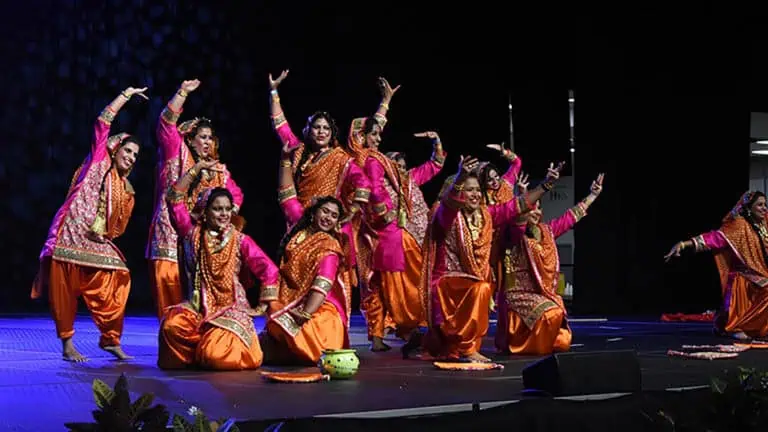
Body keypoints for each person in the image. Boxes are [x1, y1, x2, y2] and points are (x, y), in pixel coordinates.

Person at [31, 86, 148, 362]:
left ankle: (110, 339)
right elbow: (102, 121)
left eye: (135, 156)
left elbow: (117, 227)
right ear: (116, 147)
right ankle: (68, 346)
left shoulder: (123, 186)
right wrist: (125, 96)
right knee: (65, 290)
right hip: (70, 233)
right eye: (128, 150)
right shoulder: (99, 159)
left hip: (94, 241)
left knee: (119, 276)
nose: (130, 157)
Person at [409, 156, 564, 362]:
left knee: (483, 286)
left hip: (473, 280)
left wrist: (545, 185)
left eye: (476, 190)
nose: (473, 195)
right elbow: (449, 206)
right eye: (468, 189)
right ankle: (467, 349)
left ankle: (464, 346)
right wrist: (461, 177)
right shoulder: (445, 217)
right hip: (447, 282)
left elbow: (514, 206)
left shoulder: (486, 214)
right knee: (481, 288)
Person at [157, 162, 279, 371]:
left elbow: (269, 270)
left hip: (228, 308)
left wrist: (263, 304)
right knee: (171, 326)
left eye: (227, 209)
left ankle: (210, 349)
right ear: (205, 212)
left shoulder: (240, 240)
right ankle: (197, 353)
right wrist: (195, 170)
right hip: (197, 308)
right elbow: (174, 198)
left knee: (215, 354)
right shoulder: (191, 234)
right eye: (217, 209)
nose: (224, 214)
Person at [147, 79, 244, 319]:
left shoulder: (219, 169)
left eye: (211, 138)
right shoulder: (175, 151)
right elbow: (166, 123)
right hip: (169, 234)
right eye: (202, 137)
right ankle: (172, 343)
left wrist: (224, 215)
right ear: (190, 140)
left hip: (201, 242)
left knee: (200, 298)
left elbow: (237, 195)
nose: (208, 142)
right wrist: (182, 93)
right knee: (170, 298)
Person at [495, 173, 604, 355]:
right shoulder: (513, 234)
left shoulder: (547, 231)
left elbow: (571, 216)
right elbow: (518, 223)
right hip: (518, 294)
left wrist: (592, 195)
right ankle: (526, 345)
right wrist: (523, 199)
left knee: (562, 340)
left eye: (538, 208)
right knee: (551, 312)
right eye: (530, 208)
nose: (535, 212)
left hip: (543, 293)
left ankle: (540, 342)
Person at [260, 148, 351, 364]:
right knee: (274, 314)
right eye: (325, 212)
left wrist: (306, 313)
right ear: (313, 212)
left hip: (320, 310)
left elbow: (324, 283)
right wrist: (284, 159)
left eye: (334, 215)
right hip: (292, 303)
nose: (328, 218)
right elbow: (286, 194)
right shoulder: (297, 232)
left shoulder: (329, 245)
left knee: (298, 332)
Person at [360, 130, 446, 351]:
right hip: (391, 246)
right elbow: (371, 208)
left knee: (390, 290)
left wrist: (436, 141)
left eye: (402, 165)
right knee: (387, 290)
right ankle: (405, 330)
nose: (400, 169)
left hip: (412, 243)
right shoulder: (379, 187)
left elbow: (435, 165)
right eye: (395, 165)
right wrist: (384, 214)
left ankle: (386, 337)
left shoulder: (409, 180)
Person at [665, 191, 768, 341]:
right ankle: (739, 326)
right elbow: (714, 238)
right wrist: (683, 244)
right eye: (759, 205)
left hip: (761, 273)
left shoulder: (764, 223)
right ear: (748, 208)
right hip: (744, 277)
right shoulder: (739, 225)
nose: (764, 208)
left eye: (765, 205)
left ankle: (758, 328)